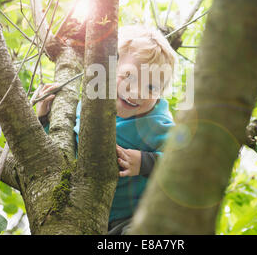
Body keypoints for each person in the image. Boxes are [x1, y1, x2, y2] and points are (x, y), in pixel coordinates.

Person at [35, 25, 177, 234]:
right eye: (128, 76)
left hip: (135, 217)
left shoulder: (156, 123)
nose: (136, 91)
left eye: (151, 87)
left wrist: (146, 162)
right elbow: (59, 148)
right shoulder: (88, 107)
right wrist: (43, 117)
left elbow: (187, 162)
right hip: (84, 211)